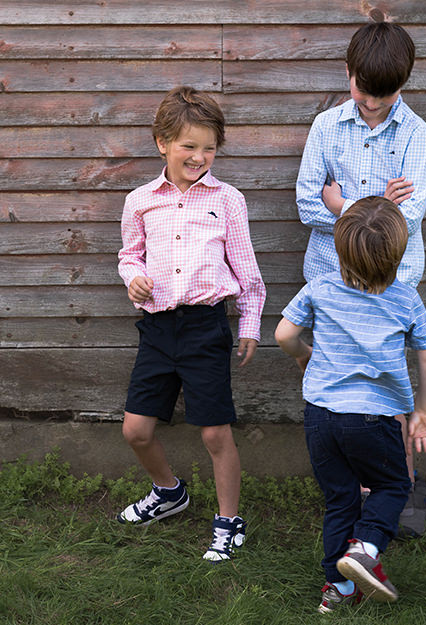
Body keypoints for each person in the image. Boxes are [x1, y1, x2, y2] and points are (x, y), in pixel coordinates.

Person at [117, 86, 266, 562]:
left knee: (214, 433)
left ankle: (228, 521)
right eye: (189, 146)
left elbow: (247, 271)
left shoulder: (228, 200)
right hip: (158, 329)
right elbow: (129, 254)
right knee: (135, 430)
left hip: (205, 327)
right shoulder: (140, 200)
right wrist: (134, 277)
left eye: (209, 147)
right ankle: (168, 491)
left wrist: (249, 325)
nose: (200, 156)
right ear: (161, 141)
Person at [275, 197, 426, 612]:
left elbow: (282, 334)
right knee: (393, 485)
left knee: (340, 499)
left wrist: (302, 355)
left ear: (339, 246)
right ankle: (365, 548)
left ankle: (338, 591)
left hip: (321, 417)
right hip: (375, 418)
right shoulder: (405, 299)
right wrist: (421, 412)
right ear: (399, 251)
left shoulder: (320, 288)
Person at [296, 20, 426, 506]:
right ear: (348, 70)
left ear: (403, 84)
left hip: (391, 284)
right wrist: (379, 202)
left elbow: (409, 219)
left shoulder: (416, 134)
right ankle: (349, 491)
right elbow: (305, 205)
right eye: (362, 89)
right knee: (335, 387)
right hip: (331, 280)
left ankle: (403, 485)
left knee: (388, 381)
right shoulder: (325, 128)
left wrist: (343, 204)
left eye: (383, 94)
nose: (370, 102)